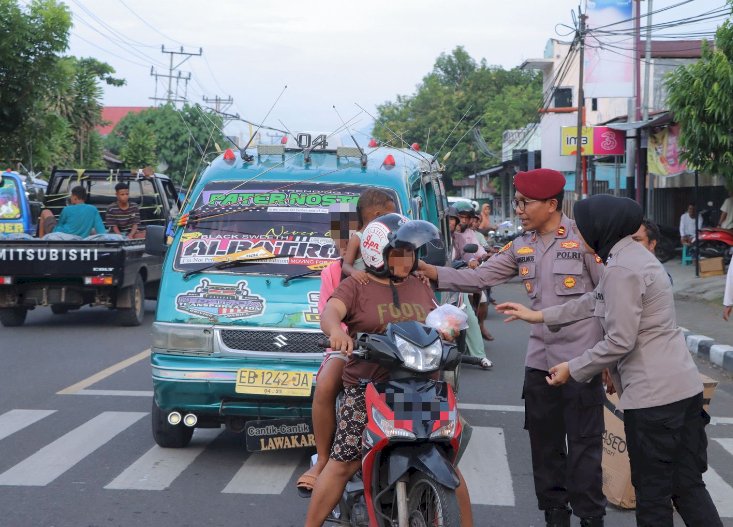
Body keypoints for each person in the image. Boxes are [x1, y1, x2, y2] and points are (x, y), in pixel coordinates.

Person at [497, 194, 723, 527]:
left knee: (653, 495)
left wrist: (571, 369)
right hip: (682, 392)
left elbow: (620, 340)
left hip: (654, 402)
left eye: (582, 228)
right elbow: (592, 301)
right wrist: (540, 315)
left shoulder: (621, 269)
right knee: (686, 485)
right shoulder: (632, 259)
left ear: (602, 228)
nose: (577, 236)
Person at [419, 168, 607, 527]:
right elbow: (479, 277)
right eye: (518, 202)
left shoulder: (584, 240)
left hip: (583, 361)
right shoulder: (522, 245)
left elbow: (606, 297)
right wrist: (432, 271)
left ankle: (590, 518)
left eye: (525, 202)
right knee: (545, 448)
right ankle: (555, 517)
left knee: (585, 450)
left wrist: (609, 360)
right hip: (540, 362)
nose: (518, 209)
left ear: (551, 204)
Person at [304, 214, 474, 527]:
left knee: (447, 459)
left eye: (411, 252)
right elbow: (331, 312)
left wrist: (446, 330)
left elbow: (434, 320)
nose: (409, 259)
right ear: (376, 253)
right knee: (344, 461)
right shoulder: (357, 285)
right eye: (401, 252)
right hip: (369, 387)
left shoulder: (418, 285)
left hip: (421, 386)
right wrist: (336, 332)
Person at [295, 192, 395, 496]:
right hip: (352, 347)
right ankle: (323, 459)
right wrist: (342, 337)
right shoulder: (336, 271)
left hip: (397, 346)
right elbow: (332, 314)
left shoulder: (401, 262)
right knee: (326, 384)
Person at [445, 206, 493, 369]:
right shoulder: (434, 236)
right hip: (434, 281)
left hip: (454, 281)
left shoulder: (459, 238)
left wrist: (473, 261)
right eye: (448, 219)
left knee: (468, 316)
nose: (451, 222)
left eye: (453, 219)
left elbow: (470, 255)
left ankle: (479, 356)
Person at [341, 188, 397, 284]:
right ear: (378, 216)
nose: (394, 219)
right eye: (390, 216)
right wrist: (354, 272)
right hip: (363, 289)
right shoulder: (357, 238)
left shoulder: (389, 237)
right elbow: (346, 265)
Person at [38, 186, 106, 238]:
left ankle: (41, 239)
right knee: (92, 231)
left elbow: (59, 225)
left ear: (75, 197)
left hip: (59, 234)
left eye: (71, 196)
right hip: (81, 237)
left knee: (45, 211)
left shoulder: (67, 209)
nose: (70, 198)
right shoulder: (93, 209)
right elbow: (101, 231)